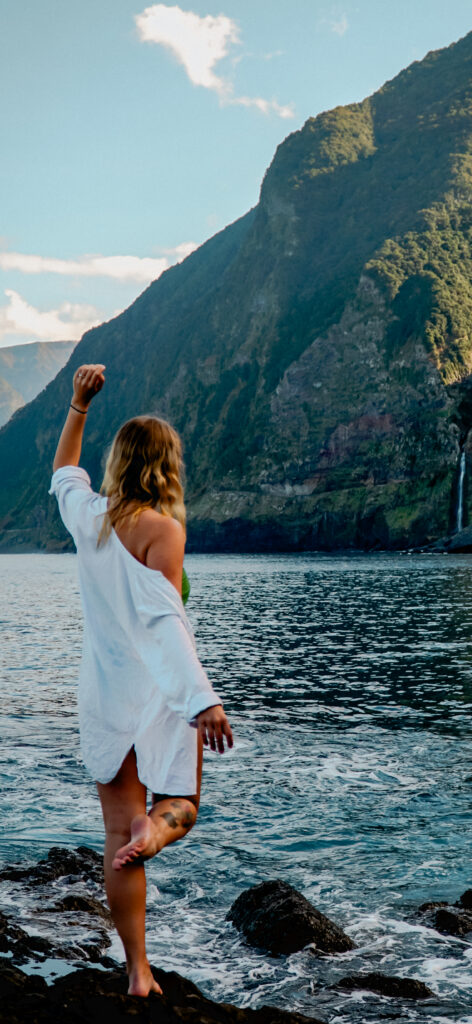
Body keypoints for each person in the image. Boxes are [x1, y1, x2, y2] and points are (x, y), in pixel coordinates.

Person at [50, 362, 233, 998]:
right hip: (158, 691)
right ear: (167, 465)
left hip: (102, 691)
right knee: (178, 807)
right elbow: (163, 620)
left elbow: (63, 475)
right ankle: (152, 833)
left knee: (113, 830)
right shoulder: (163, 529)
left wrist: (78, 404)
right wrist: (203, 699)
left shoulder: (88, 518)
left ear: (120, 461)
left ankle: (138, 972)